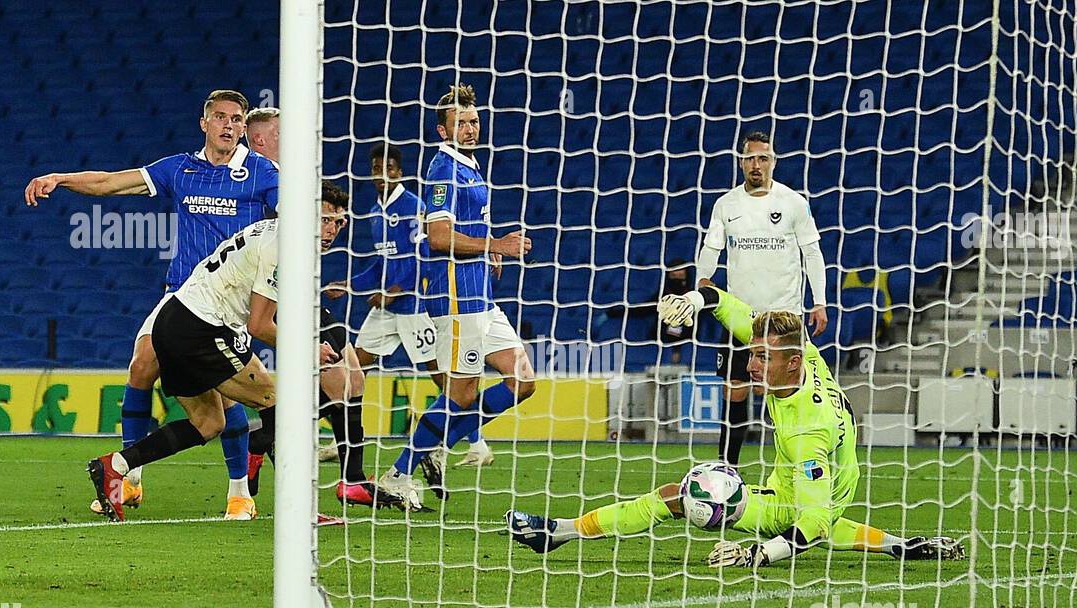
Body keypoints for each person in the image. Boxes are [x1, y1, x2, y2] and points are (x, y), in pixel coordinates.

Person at [507, 286, 963, 568]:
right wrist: (694, 300)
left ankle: (559, 532)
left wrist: (757, 555)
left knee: (683, 494)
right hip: (799, 482)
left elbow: (816, 521)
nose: (751, 362)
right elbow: (729, 305)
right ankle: (901, 546)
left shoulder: (809, 431)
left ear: (792, 363)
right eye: (754, 352)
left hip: (800, 499)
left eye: (763, 358)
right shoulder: (796, 352)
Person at [25, 89, 279, 518]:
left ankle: (240, 492)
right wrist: (60, 178)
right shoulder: (179, 168)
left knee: (227, 401)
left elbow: (286, 224)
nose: (229, 126)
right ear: (205, 123)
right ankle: (128, 480)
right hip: (182, 293)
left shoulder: (262, 173)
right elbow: (110, 182)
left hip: (230, 302)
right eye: (220, 117)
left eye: (237, 120)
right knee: (142, 363)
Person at [87, 183, 354, 521]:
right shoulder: (284, 246)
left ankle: (116, 465)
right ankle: (298, 510)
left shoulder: (275, 234)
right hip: (201, 328)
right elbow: (259, 325)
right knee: (277, 406)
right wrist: (307, 350)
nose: (331, 230)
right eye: (325, 219)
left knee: (208, 423)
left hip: (174, 323)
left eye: (338, 223)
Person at [375, 83, 536, 506]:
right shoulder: (443, 169)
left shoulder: (469, 165)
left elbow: (466, 229)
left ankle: (439, 441)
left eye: (474, 121)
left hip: (480, 292)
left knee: (522, 381)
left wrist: (487, 250)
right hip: (456, 298)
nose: (470, 128)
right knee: (461, 394)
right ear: (443, 131)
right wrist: (496, 245)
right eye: (461, 122)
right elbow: (438, 236)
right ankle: (400, 471)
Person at [696, 130, 828, 466]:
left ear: (774, 162)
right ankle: (728, 470)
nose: (757, 164)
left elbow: (812, 253)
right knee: (735, 390)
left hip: (784, 319)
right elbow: (711, 248)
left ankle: (795, 464)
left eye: (763, 158)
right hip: (741, 316)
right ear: (741, 162)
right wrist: (702, 282)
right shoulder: (726, 205)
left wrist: (820, 300)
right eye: (750, 158)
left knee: (784, 394)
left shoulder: (794, 203)